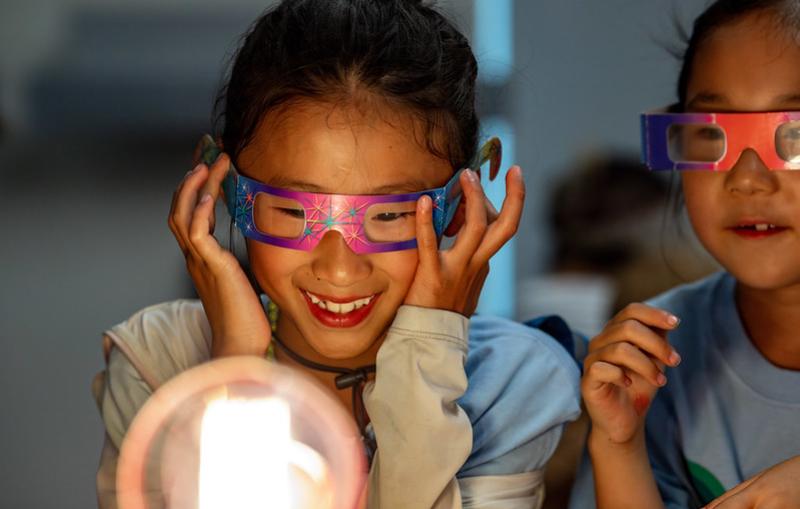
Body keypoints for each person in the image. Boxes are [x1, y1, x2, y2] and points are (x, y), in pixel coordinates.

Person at [91, 1, 581, 507]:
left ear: (461, 206)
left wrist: (427, 352)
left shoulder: (517, 383)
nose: (340, 268)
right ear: (223, 190)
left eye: (388, 215)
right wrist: (237, 372)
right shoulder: (158, 365)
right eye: (292, 211)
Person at [571, 1, 800, 508]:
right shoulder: (655, 354)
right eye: (712, 135)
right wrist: (619, 446)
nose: (746, 178)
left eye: (795, 135)